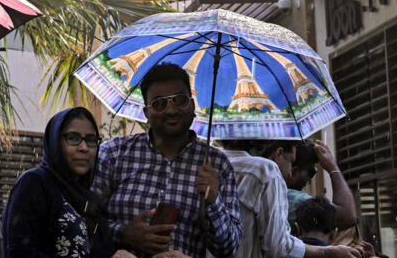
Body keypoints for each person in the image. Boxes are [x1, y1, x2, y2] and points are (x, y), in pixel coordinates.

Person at [91, 63, 242, 258]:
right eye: (159, 103)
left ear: (192, 105)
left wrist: (214, 201)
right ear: (146, 113)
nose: (171, 110)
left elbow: (229, 249)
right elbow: (86, 221)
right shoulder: (114, 153)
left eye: (179, 100)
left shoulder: (216, 164)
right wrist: (125, 233)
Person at [2, 107, 115, 258]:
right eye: (73, 138)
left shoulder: (88, 200)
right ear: (55, 141)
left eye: (91, 140)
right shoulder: (35, 183)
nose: (84, 148)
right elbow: (19, 252)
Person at [219, 140, 358, 258]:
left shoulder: (211, 165)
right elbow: (277, 246)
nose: (290, 171)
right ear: (279, 154)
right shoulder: (267, 172)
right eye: (291, 162)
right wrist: (328, 252)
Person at [287, 141, 356, 232]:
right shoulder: (293, 199)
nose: (309, 180)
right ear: (294, 171)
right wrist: (332, 167)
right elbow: (347, 216)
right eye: (311, 172)